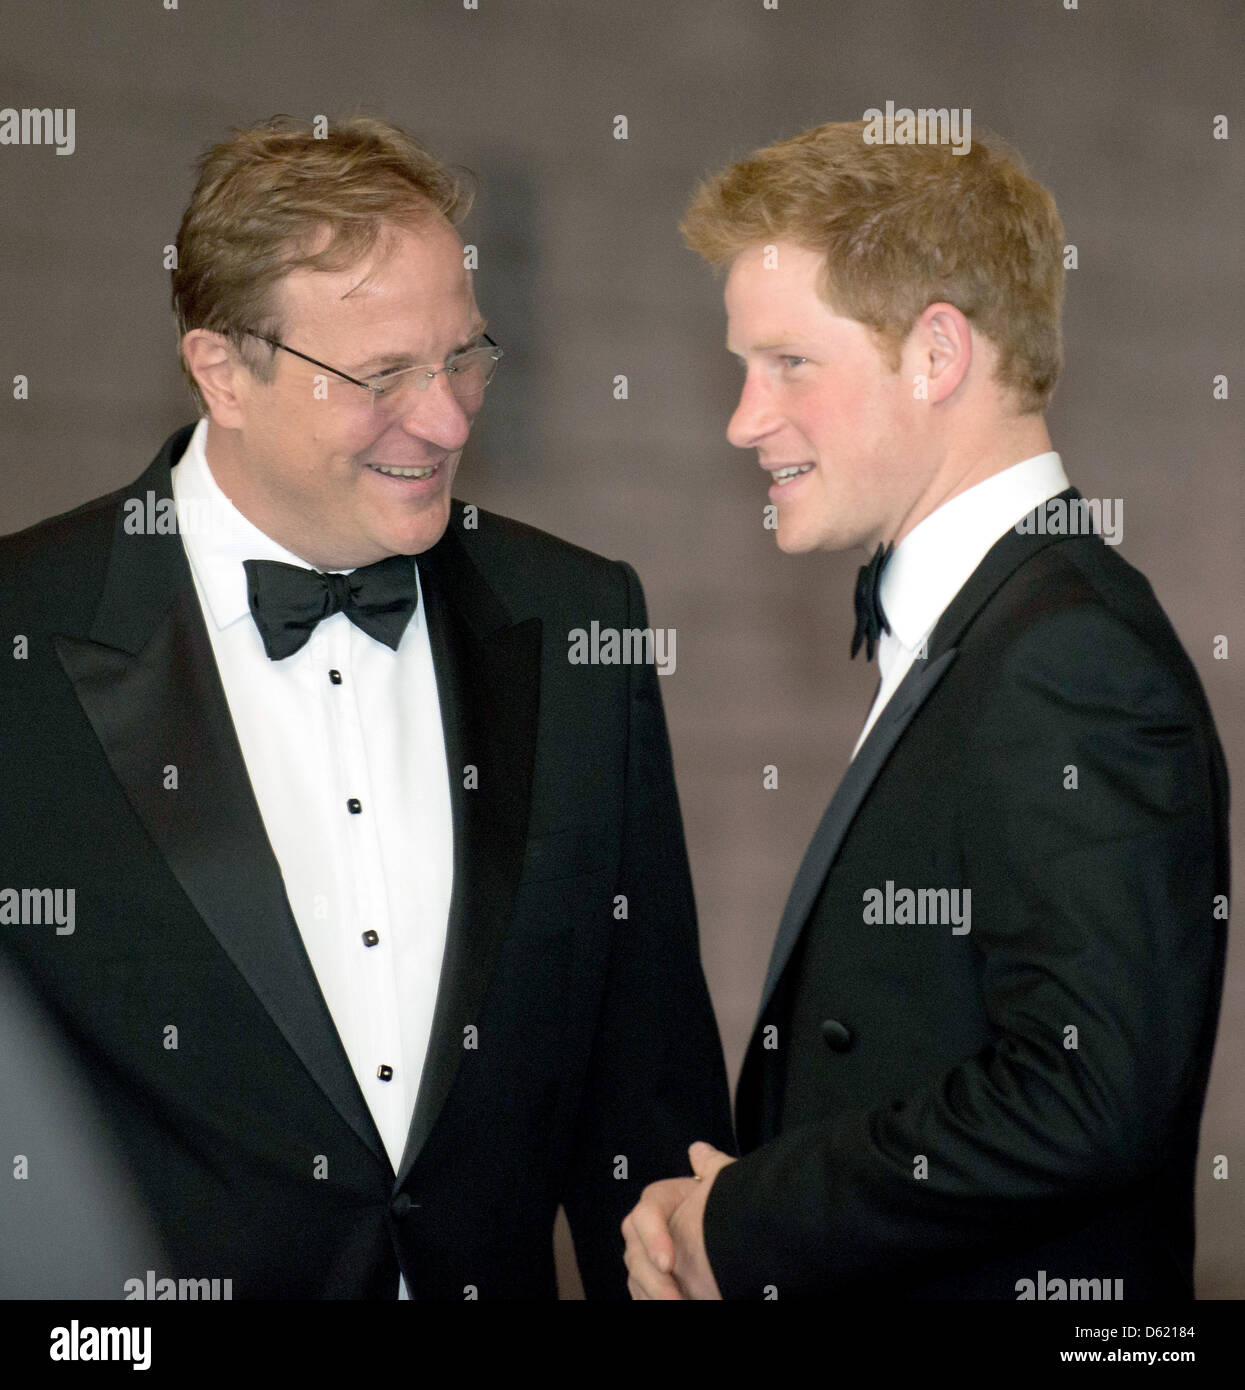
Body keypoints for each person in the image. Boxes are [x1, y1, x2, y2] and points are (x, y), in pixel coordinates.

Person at [0, 114, 733, 1300]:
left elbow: (645, 1111)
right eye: (381, 375)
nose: (444, 418)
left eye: (463, 358)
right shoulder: (17, 642)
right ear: (221, 370)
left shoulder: (581, 622)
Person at [622, 120, 1228, 1300]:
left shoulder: (1069, 655)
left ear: (937, 353)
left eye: (789, 362)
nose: (745, 419)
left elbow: (1082, 1094)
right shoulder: (1007, 621)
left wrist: (741, 1220)